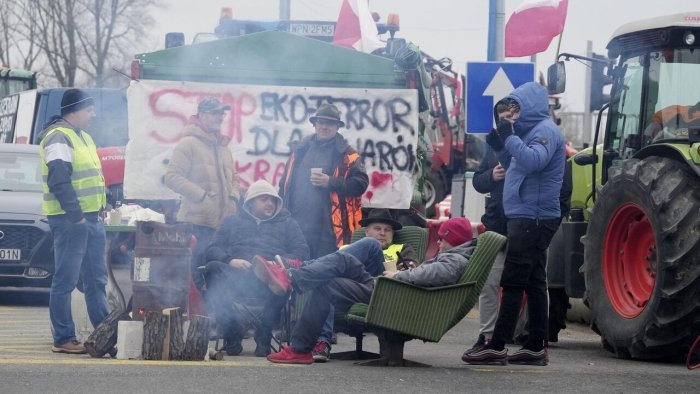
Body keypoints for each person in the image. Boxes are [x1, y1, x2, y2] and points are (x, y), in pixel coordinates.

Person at [256, 217, 475, 365]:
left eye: (443, 238)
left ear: (454, 240)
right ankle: (300, 349)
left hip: (397, 293)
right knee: (329, 280)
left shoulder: (455, 258)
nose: (438, 241)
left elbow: (438, 273)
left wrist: (400, 275)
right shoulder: (452, 255)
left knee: (348, 257)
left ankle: (294, 274)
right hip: (388, 287)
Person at [462, 82, 565, 366]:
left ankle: (497, 345)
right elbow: (516, 164)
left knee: (513, 279)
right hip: (528, 214)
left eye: (516, 109)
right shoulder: (531, 132)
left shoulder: (545, 130)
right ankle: (535, 346)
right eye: (509, 111)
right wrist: (501, 144)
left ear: (530, 107)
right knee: (533, 280)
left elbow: (533, 161)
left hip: (532, 216)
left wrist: (508, 136)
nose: (512, 116)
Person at [201, 180, 309, 357]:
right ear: (250, 202)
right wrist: (230, 260)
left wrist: (276, 263)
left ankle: (264, 334)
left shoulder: (288, 223)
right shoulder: (231, 222)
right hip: (237, 275)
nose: (270, 204)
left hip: (270, 279)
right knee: (212, 268)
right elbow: (212, 249)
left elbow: (302, 252)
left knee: (284, 276)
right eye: (264, 199)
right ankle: (232, 332)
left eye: (273, 200)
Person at [39, 89, 110, 354]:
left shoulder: (85, 138)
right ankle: (63, 338)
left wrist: (102, 206)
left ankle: (104, 332)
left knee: (96, 280)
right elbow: (58, 179)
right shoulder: (58, 136)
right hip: (72, 221)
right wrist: (77, 216)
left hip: (90, 219)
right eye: (89, 109)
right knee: (65, 281)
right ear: (75, 110)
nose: (93, 114)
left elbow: (90, 178)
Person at [308, 208, 420, 362]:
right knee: (328, 281)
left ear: (393, 235)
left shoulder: (401, 249)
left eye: (387, 230)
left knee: (366, 249)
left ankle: (304, 268)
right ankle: (323, 343)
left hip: (381, 288)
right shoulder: (349, 249)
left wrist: (397, 271)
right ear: (366, 232)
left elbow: (413, 271)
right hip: (350, 288)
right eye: (377, 228)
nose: (382, 233)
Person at [164, 97, 241, 290]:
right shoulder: (188, 143)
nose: (221, 117)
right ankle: (196, 317)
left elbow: (235, 177)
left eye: (222, 113)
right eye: (216, 113)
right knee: (194, 277)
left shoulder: (224, 148)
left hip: (222, 225)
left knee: (215, 277)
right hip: (196, 223)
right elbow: (172, 177)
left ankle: (211, 317)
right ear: (203, 115)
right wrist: (202, 196)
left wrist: (234, 196)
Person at [278, 103, 369, 259]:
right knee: (294, 266)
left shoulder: (348, 154)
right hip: (297, 223)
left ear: (337, 127)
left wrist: (331, 182)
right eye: (321, 122)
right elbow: (284, 185)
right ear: (315, 124)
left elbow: (361, 184)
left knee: (323, 268)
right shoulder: (300, 150)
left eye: (330, 123)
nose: (324, 127)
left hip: (329, 229)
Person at [466, 146, 508, 353]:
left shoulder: (538, 142)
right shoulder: (495, 146)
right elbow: (478, 180)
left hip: (529, 227)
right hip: (497, 225)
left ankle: (537, 337)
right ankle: (488, 335)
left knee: (535, 285)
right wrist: (491, 175)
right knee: (489, 282)